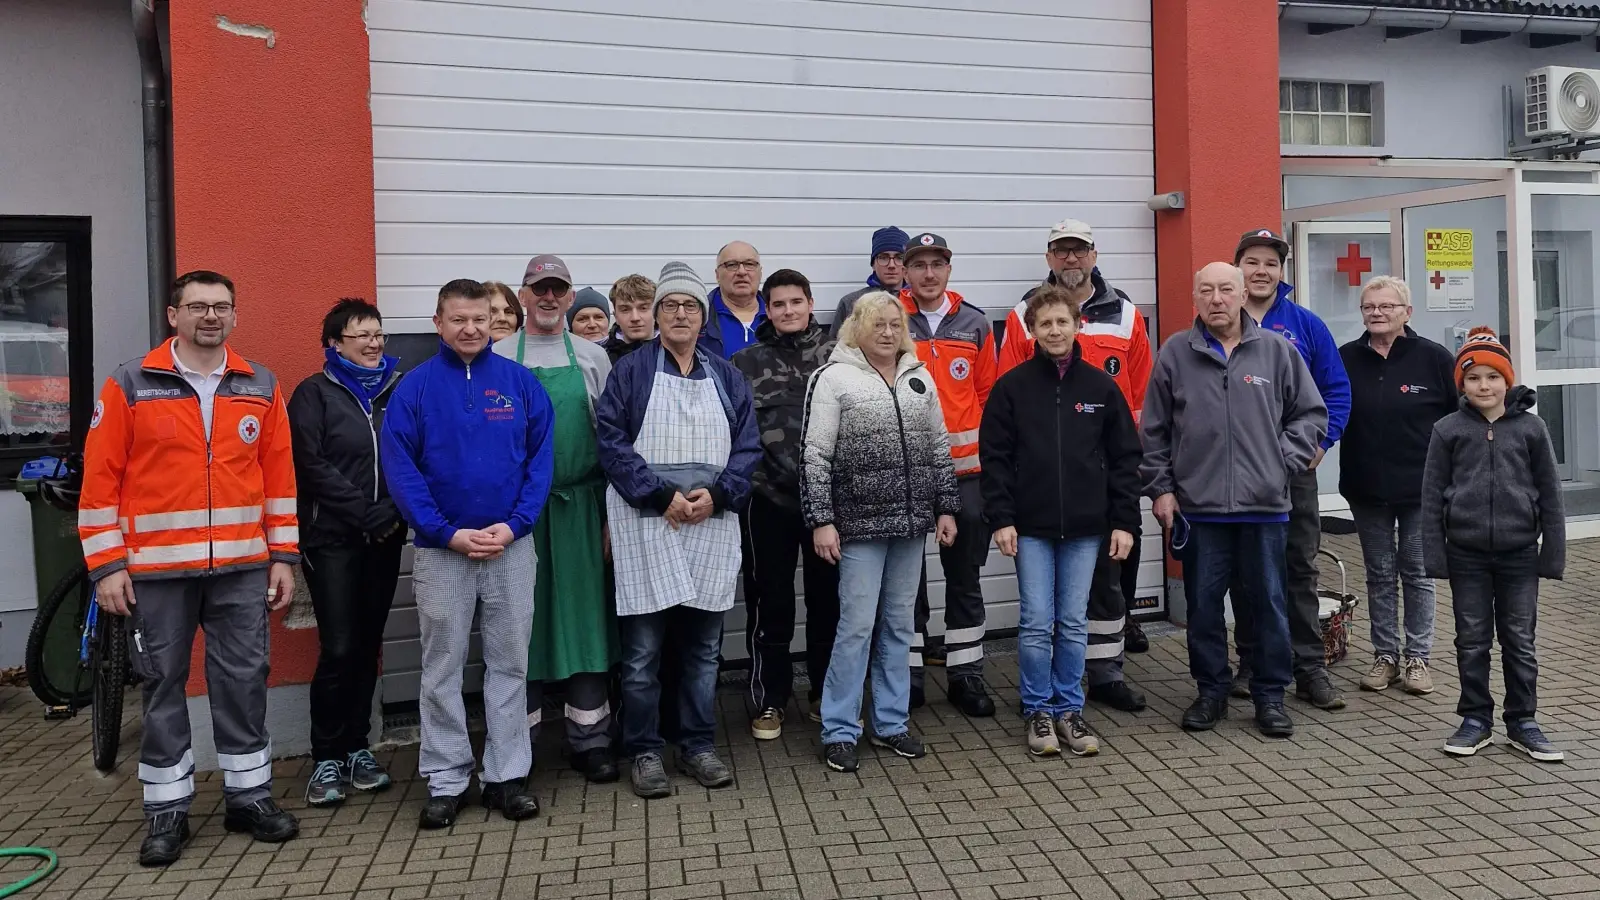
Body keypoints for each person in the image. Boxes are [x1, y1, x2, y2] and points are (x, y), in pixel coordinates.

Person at [78, 270, 301, 866]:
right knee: (162, 686)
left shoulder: (259, 383)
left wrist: (282, 557)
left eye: (222, 307)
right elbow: (99, 482)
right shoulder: (130, 382)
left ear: (235, 316)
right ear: (173, 315)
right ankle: (167, 812)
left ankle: (249, 797)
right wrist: (106, 567)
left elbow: (279, 480)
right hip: (155, 574)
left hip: (240, 568)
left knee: (242, 683)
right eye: (198, 306)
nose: (211, 316)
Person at [381, 278, 555, 829]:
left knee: (509, 665)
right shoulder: (415, 389)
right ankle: (447, 778)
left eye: (481, 318)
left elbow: (539, 463)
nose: (471, 329)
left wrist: (515, 525)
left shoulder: (521, 384)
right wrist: (444, 532)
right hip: (442, 553)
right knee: (441, 668)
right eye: (458, 319)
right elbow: (401, 470)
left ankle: (507, 776)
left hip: (511, 547)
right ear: (438, 323)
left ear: (497, 320)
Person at [1141, 262, 1327, 739]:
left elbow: (1309, 414)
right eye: (1207, 290)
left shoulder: (1277, 351)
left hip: (1264, 508)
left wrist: (1281, 460)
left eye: (1226, 289)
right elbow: (1154, 431)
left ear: (1244, 295)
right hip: (1199, 509)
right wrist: (1161, 489)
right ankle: (1211, 693)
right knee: (1203, 607)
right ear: (1196, 299)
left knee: (1267, 602)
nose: (1217, 299)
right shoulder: (1175, 353)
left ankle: (1269, 696)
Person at [596, 261, 760, 799]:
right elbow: (612, 442)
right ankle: (644, 751)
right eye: (671, 306)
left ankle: (697, 744)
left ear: (702, 314)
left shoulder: (726, 374)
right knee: (641, 654)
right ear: (658, 314)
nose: (681, 314)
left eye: (690, 305)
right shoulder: (631, 372)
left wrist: (717, 495)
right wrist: (660, 495)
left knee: (703, 649)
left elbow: (748, 448)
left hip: (711, 525)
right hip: (648, 525)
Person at [997, 219, 1155, 713]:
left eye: (1079, 251)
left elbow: (1140, 398)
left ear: (1093, 254)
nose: (1071, 259)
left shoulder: (1126, 314)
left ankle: (1105, 676)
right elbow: (1007, 414)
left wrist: (1123, 495)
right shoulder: (1022, 314)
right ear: (1049, 257)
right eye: (1061, 252)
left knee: (1107, 592)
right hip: (1042, 496)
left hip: (1100, 491)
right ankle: (1043, 699)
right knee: (1044, 613)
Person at [980, 285, 1141, 757]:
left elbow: (1125, 460)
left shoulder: (1100, 388)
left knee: (1072, 622)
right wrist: (1001, 518)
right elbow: (995, 458)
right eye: (1045, 323)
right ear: (1031, 330)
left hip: (1088, 528)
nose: (1054, 330)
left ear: (1077, 326)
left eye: (1062, 322)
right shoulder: (1012, 388)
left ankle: (1069, 709)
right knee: (1035, 622)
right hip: (1030, 527)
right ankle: (1038, 712)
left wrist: (1124, 523)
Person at [802, 291, 959, 773]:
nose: (888, 333)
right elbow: (814, 455)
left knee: (899, 627)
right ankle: (839, 729)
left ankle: (890, 723)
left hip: (912, 527)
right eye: (878, 324)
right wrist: (821, 521)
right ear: (857, 328)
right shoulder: (833, 378)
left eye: (895, 324)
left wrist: (946, 508)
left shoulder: (919, 377)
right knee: (855, 628)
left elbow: (938, 447)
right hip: (859, 530)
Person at [494, 256, 620, 783]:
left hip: (581, 510)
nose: (548, 298)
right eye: (539, 288)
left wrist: (614, 514)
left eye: (558, 289)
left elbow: (614, 440)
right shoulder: (498, 355)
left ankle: (589, 741)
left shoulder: (593, 357)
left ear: (570, 298)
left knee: (585, 622)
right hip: (517, 515)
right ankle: (516, 747)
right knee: (517, 627)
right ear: (522, 296)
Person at [1422, 328, 1565, 762]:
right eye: (1473, 378)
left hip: (1520, 552)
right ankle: (1475, 720)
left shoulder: (1532, 428)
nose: (1484, 386)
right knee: (1471, 639)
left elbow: (1551, 492)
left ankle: (1523, 721)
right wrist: (1435, 554)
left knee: (1519, 639)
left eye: (1492, 377)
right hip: (1465, 553)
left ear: (1507, 380)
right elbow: (1432, 495)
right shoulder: (1447, 430)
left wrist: (1552, 553)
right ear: (1462, 385)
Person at [289, 298, 406, 807]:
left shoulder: (397, 393)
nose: (374, 343)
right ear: (334, 344)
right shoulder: (314, 394)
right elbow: (309, 464)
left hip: (385, 537)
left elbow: (417, 454)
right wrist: (365, 511)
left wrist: (395, 509)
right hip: (332, 539)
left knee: (367, 644)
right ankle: (326, 757)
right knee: (338, 646)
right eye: (362, 335)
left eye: (378, 334)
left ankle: (359, 747)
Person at [1230, 229, 1352, 711]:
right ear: (1237, 266)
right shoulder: (1218, 322)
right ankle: (1252, 662)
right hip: (1236, 471)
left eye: (1271, 264)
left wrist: (1322, 442)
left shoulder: (1305, 324)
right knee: (1246, 571)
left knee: (1298, 567)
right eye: (1252, 261)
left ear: (1282, 272)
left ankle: (1309, 668)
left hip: (1293, 469)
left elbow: (1336, 389)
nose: (1261, 271)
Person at [730, 269, 840, 739]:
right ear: (765, 308)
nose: (788, 311)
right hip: (768, 502)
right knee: (769, 604)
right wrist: (755, 482)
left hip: (829, 506)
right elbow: (733, 432)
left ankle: (825, 695)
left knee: (828, 603)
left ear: (810, 303)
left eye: (796, 302)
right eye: (778, 304)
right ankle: (769, 699)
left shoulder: (840, 357)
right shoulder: (743, 362)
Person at [1338, 276, 1455, 696]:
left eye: (1386, 306)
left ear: (1407, 312)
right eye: (1369, 306)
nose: (1377, 313)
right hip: (1366, 485)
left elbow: (1458, 420)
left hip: (1422, 487)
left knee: (1418, 572)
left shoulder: (1435, 359)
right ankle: (1385, 656)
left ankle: (1418, 658)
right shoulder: (1346, 358)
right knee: (1379, 573)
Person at [899, 232, 998, 717]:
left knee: (964, 578)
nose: (929, 273)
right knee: (906, 580)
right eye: (920, 265)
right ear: (905, 271)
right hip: (905, 474)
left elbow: (988, 397)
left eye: (937, 264)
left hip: (967, 475)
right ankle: (910, 675)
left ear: (948, 270)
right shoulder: (889, 319)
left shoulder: (976, 323)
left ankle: (966, 675)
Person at [830, 226, 908, 337]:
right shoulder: (851, 303)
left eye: (899, 257)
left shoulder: (918, 300)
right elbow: (836, 348)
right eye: (883, 257)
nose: (891, 265)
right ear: (873, 264)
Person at [701, 241, 767, 357]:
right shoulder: (699, 316)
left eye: (750, 264)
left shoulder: (779, 314)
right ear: (717, 275)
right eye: (731, 265)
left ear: (760, 273)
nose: (742, 272)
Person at [604, 274, 657, 363]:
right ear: (616, 316)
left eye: (643, 308)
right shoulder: (604, 358)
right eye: (625, 310)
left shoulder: (676, 353)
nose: (635, 318)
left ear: (656, 312)